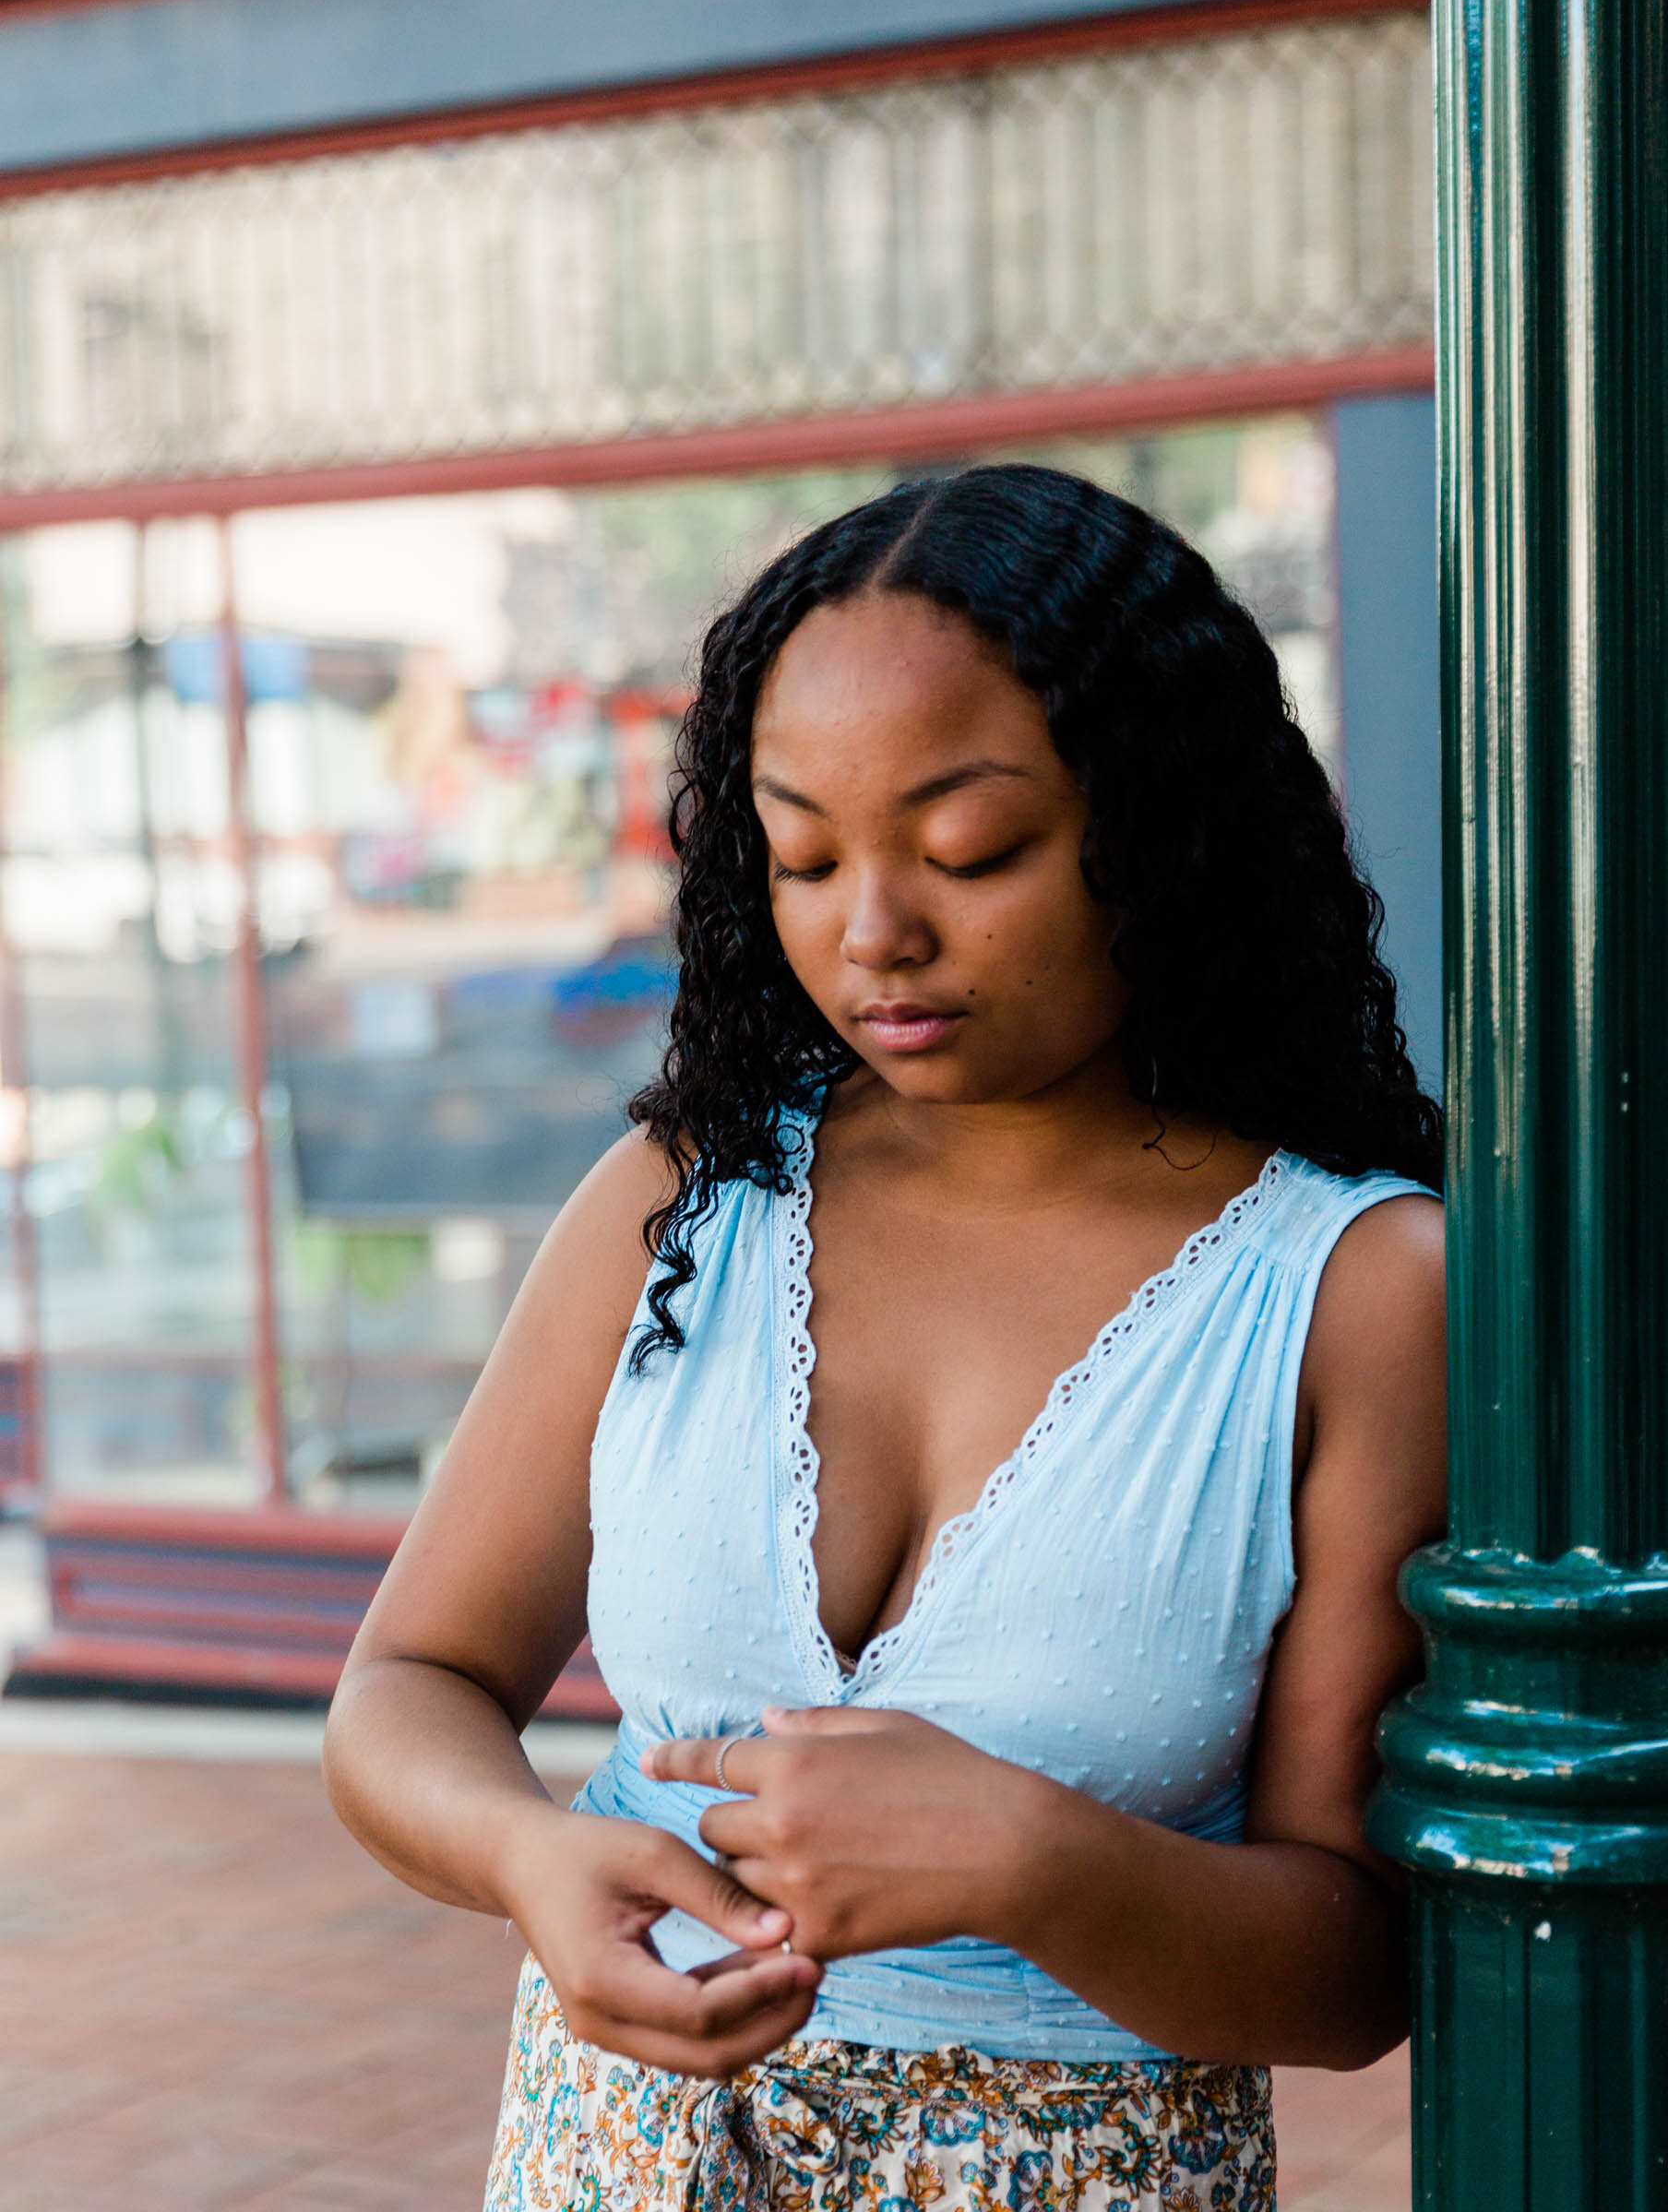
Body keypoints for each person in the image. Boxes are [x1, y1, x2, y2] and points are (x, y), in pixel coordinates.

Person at [323, 463, 1447, 2212]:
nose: (873, 935)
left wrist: (1032, 1856)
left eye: (969, 850)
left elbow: (1353, 1973)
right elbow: (407, 1692)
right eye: (805, 853)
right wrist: (529, 1858)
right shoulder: (681, 1197)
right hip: (609, 2154)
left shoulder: (1357, 1288)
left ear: (1158, 826)